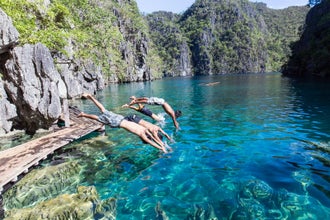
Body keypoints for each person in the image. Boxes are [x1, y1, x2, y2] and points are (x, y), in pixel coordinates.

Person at [77, 93, 168, 153]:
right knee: (99, 118)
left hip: (121, 118)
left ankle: (91, 97)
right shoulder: (142, 134)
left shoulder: (145, 130)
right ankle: (83, 114)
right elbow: (151, 141)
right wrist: (161, 148)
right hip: (117, 123)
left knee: (103, 110)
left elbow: (153, 137)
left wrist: (161, 145)